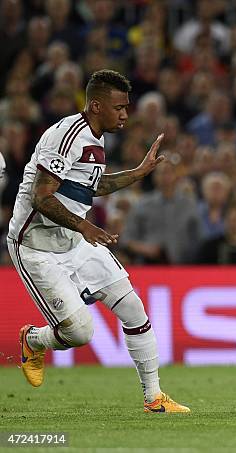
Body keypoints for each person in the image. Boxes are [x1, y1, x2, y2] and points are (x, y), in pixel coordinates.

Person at [7, 69, 190, 413]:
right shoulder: (66, 136)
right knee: (79, 333)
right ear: (95, 105)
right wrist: (85, 227)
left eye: (126, 107)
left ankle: (154, 397)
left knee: (134, 308)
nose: (125, 114)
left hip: (75, 240)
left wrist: (137, 173)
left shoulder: (97, 135)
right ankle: (33, 339)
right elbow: (41, 197)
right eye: (119, 107)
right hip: (36, 246)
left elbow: (93, 185)